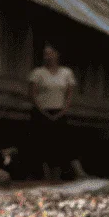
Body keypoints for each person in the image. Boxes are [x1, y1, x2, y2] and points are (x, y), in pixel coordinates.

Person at [28, 44, 87, 180]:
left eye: (50, 53)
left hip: (59, 111)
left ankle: (59, 176)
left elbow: (70, 95)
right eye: (45, 54)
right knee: (41, 143)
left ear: (57, 54)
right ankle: (44, 176)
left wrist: (63, 110)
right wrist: (42, 111)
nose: (47, 57)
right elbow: (32, 94)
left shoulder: (66, 73)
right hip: (41, 111)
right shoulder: (38, 73)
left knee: (61, 144)